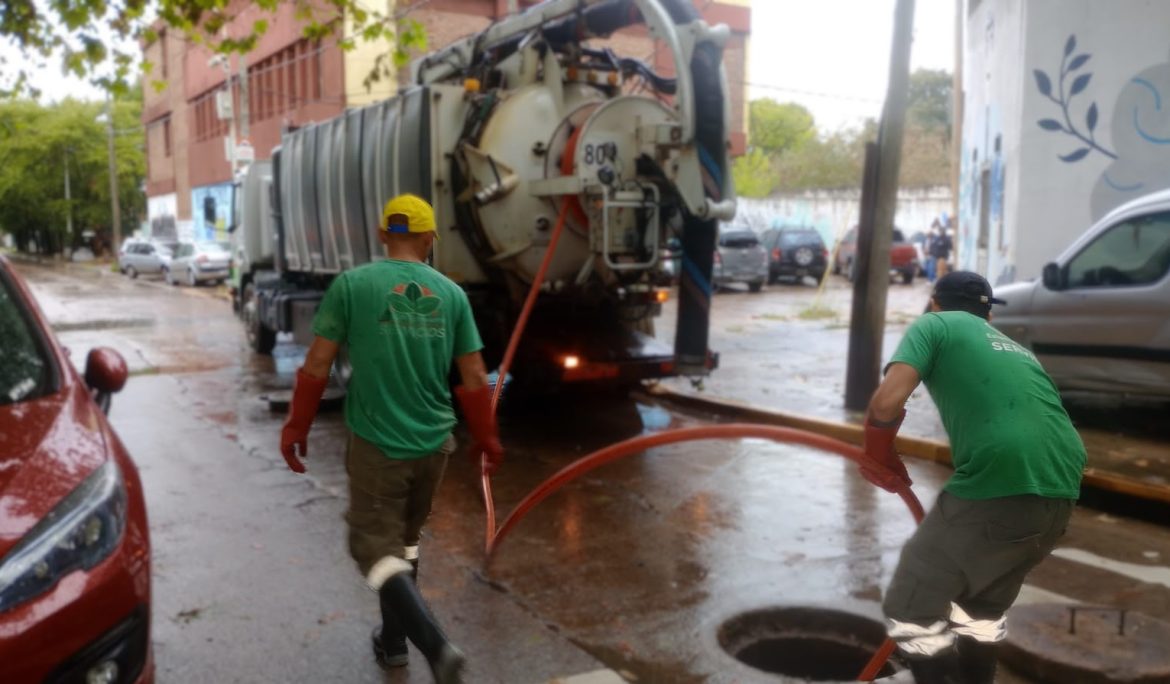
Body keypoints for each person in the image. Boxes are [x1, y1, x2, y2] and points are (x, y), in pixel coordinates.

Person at [279, 194, 504, 683]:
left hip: (379, 446)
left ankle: (436, 646)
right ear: (429, 240)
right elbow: (473, 374)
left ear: (384, 236)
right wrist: (486, 437)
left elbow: (317, 364)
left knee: (372, 549)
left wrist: (297, 426)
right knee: (403, 545)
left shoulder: (353, 285)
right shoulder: (452, 295)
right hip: (433, 445)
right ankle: (394, 641)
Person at [858, 271, 1085, 684]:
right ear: (988, 317)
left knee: (911, 612)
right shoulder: (1018, 351)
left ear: (935, 305)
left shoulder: (934, 325)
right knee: (979, 611)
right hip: (1062, 485)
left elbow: (887, 401)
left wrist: (879, 455)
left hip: (1002, 477)